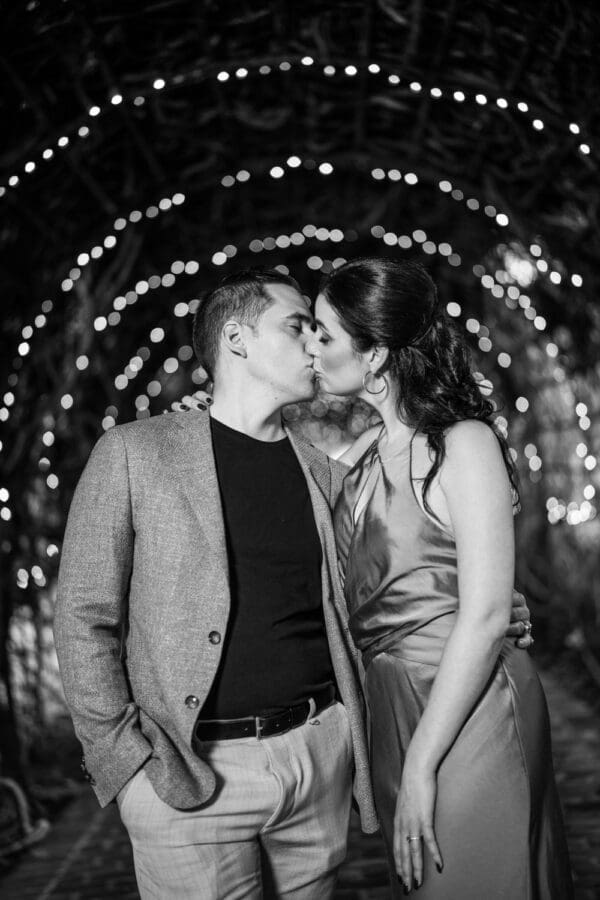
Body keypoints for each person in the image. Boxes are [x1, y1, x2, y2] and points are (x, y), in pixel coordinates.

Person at [55, 266, 532, 900]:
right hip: (190, 775)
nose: (313, 342)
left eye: (320, 328)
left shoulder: (328, 474)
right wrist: (125, 759)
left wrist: (491, 604)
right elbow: (84, 612)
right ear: (236, 339)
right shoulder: (138, 452)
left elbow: (408, 562)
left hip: (318, 759)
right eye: (297, 325)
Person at [306, 257, 573, 898]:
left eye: (323, 334)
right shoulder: (360, 459)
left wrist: (424, 764)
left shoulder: (464, 443)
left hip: (469, 698)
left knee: (480, 876)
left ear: (375, 356)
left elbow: (482, 616)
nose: (310, 349)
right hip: (393, 706)